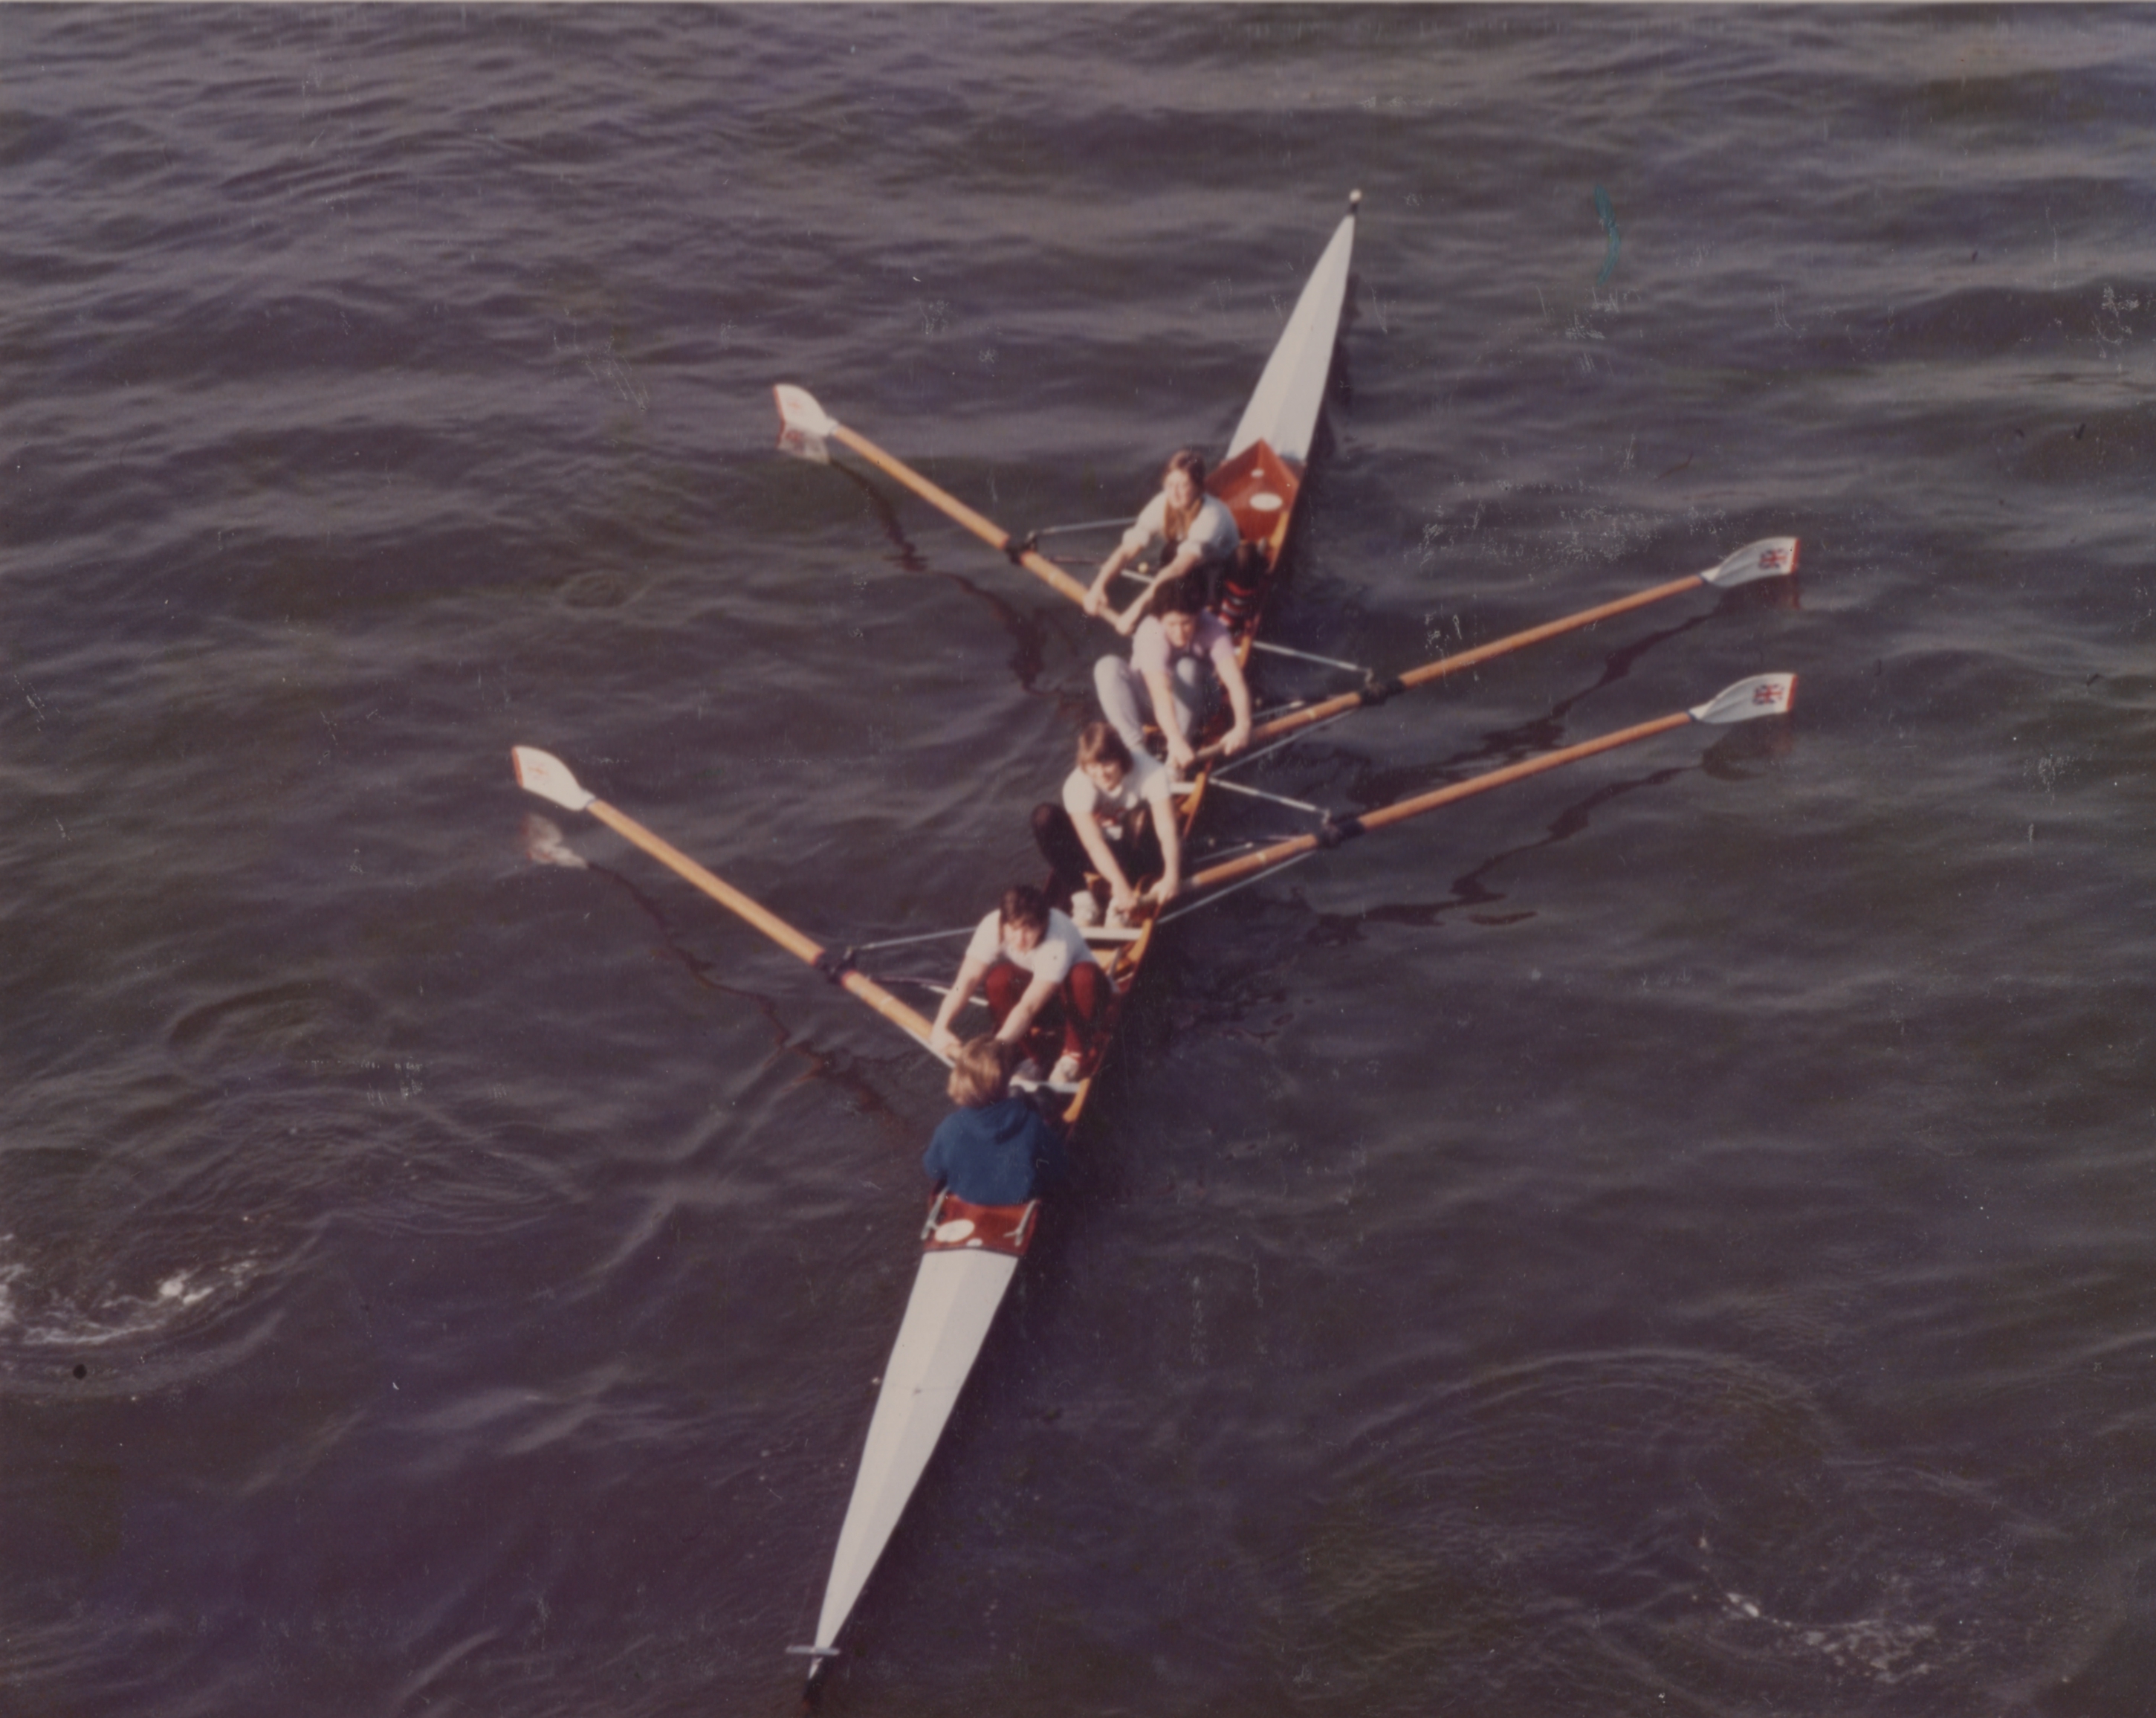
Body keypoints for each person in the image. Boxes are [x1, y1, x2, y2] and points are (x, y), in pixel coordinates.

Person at [929, 884, 1107, 1086]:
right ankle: (1028, 1057)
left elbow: (1028, 1006)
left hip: (1081, 999)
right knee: (998, 979)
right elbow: (966, 981)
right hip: (1041, 994)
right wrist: (941, 1025)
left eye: (1029, 928)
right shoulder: (991, 926)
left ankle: (1073, 1055)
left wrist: (996, 1046)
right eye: (1013, 929)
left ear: (1043, 923)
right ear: (1003, 923)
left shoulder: (1057, 938)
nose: (1020, 940)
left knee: (1084, 976)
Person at [1092, 574, 1254, 773]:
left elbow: (1235, 682)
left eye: (1186, 623)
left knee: (1187, 667)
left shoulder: (1213, 627)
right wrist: (1174, 738)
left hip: (1202, 702)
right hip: (1155, 702)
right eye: (1171, 624)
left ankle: (1175, 763)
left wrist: (1243, 726)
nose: (1179, 632)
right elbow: (1160, 693)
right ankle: (1137, 753)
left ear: (1198, 615)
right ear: (1160, 619)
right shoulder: (1150, 632)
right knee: (1106, 667)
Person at [1032, 720, 1182, 925]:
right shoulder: (1077, 784)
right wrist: (1117, 883)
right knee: (1043, 817)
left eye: (1108, 763)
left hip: (1141, 851)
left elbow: (1166, 829)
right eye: (1093, 766)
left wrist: (1172, 875)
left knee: (1140, 817)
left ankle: (1123, 901)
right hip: (1101, 852)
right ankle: (1083, 900)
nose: (1101, 774)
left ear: (1123, 759)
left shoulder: (1152, 771)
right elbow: (1093, 844)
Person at [1084, 448, 1242, 635]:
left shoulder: (1213, 515)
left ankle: (1227, 614)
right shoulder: (1162, 503)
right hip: (1193, 561)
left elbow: (1178, 568)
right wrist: (1098, 586)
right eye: (1170, 484)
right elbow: (1127, 550)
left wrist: (1135, 610)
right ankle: (1181, 616)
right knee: (1171, 551)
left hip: (1222, 566)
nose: (1174, 493)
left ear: (1199, 488)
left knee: (1176, 561)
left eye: (1184, 485)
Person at [922, 1036, 1068, 1207]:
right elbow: (1059, 1168)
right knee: (1042, 1100)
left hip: (970, 1199)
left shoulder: (949, 1128)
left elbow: (933, 1169)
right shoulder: (1031, 1123)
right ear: (1005, 1084)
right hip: (1021, 1199)